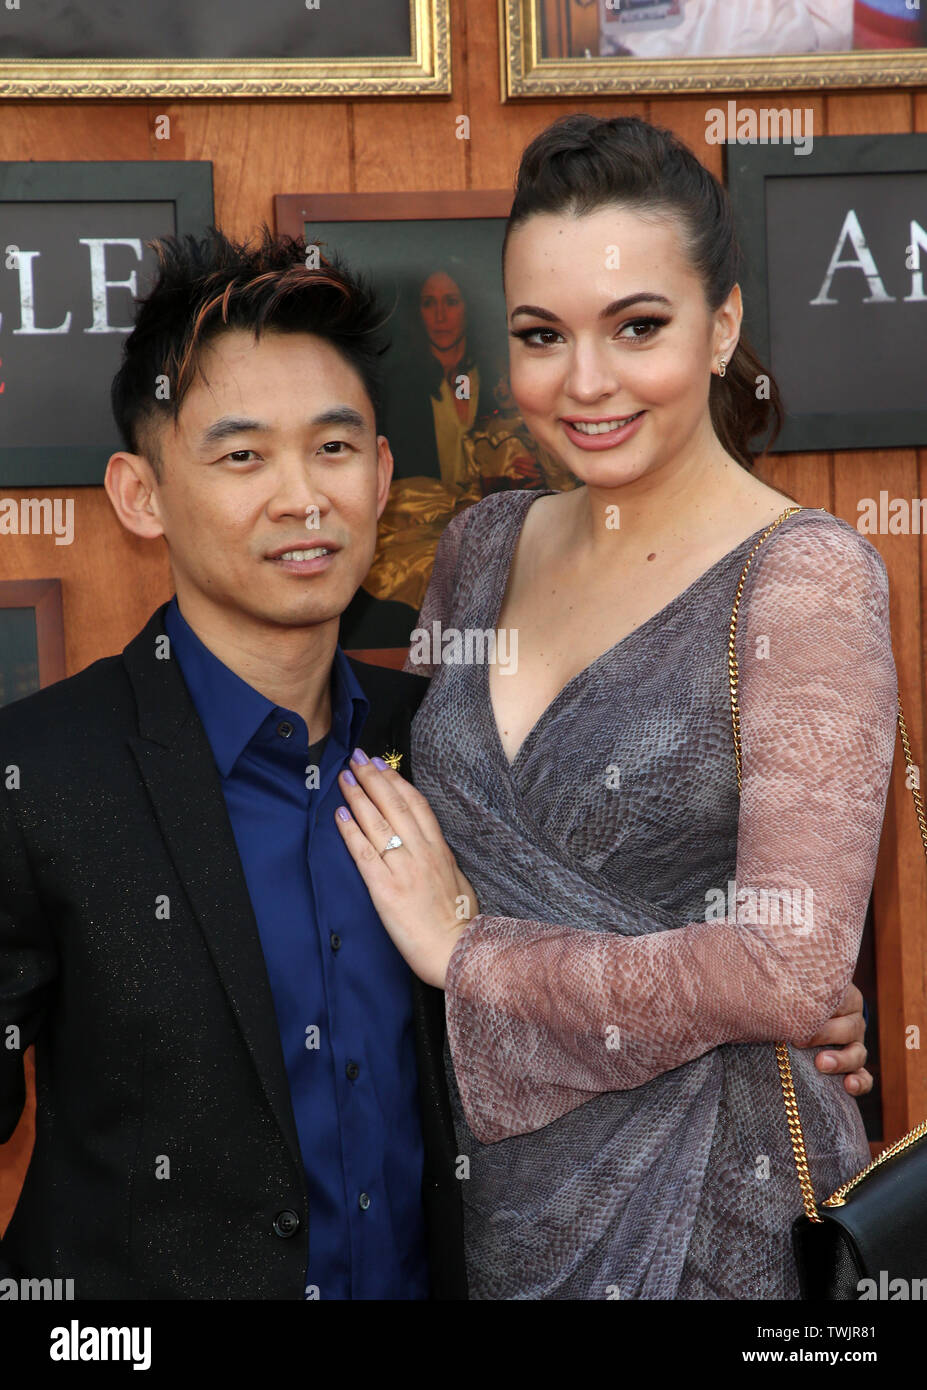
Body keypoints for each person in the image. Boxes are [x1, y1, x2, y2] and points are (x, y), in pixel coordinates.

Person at [332, 114, 895, 1299]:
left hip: (712, 1210)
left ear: (722, 323)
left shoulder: (805, 577)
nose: (585, 383)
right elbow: (413, 829)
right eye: (543, 335)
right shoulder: (478, 553)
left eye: (638, 326)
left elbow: (791, 974)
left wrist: (472, 952)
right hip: (483, 1200)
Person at [0, 227, 465, 1299]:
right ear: (141, 493)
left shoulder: (448, 745)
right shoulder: (42, 778)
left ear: (384, 473)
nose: (303, 498)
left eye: (335, 448)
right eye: (243, 455)